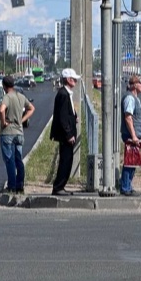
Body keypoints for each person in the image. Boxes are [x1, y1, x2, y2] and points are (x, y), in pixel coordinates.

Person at [0, 75, 35, 195]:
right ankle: (20, 185)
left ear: (4, 86)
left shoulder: (7, 97)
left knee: (10, 160)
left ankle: (11, 186)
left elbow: (1, 110)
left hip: (8, 133)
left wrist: (3, 122)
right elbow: (31, 108)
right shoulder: (21, 96)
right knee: (19, 160)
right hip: (19, 133)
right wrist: (22, 120)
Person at [50, 67, 80, 196]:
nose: (76, 82)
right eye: (74, 79)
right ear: (68, 79)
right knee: (65, 161)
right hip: (65, 135)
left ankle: (61, 186)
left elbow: (68, 112)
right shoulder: (63, 94)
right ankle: (58, 187)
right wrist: (68, 134)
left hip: (67, 134)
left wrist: (74, 116)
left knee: (68, 160)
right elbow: (62, 117)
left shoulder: (66, 93)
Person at [120, 74, 141, 197]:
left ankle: (128, 186)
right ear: (135, 85)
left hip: (134, 135)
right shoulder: (130, 98)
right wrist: (134, 136)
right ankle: (125, 187)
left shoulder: (135, 98)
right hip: (130, 135)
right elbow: (128, 117)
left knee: (133, 162)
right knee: (129, 162)